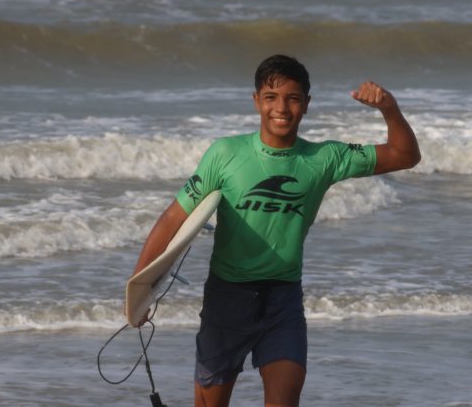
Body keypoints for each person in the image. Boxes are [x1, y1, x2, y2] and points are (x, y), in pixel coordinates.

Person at [130, 55, 421, 407]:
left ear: (307, 105)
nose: (281, 108)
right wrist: (139, 288)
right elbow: (172, 218)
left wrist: (388, 108)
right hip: (227, 301)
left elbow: (405, 155)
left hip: (282, 300)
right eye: (271, 97)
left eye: (293, 98)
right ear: (256, 101)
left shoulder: (323, 158)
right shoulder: (225, 154)